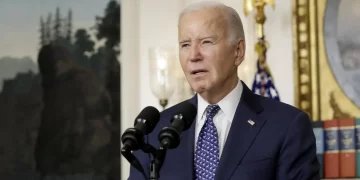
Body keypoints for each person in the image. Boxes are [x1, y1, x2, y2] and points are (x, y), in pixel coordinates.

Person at [128, 1, 320, 180]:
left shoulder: (286, 126)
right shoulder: (155, 132)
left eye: (206, 42)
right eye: (185, 45)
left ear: (238, 51)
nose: (193, 56)